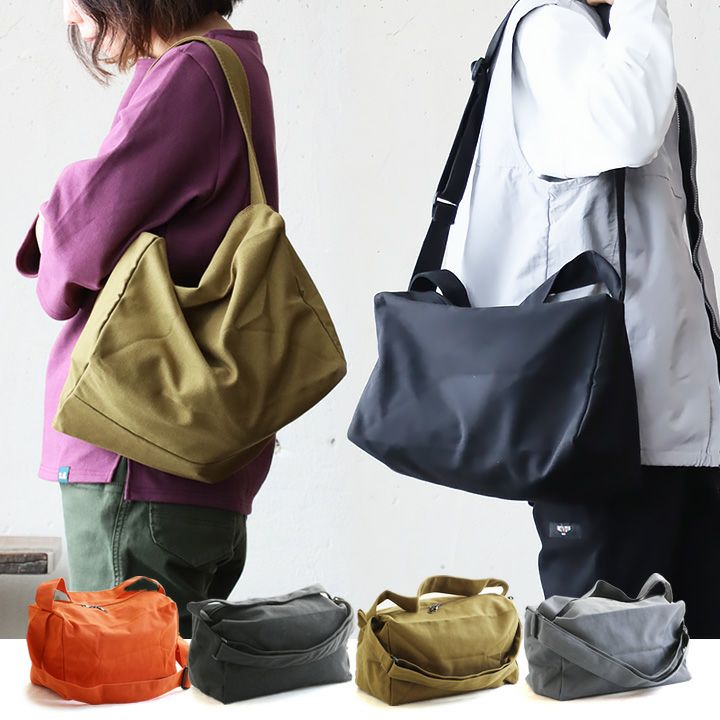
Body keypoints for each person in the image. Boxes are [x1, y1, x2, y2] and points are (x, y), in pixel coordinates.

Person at [453, 0, 720, 637]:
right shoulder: (549, 29)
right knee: (610, 660)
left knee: (700, 662)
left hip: (676, 430)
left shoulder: (606, 39)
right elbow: (627, 128)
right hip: (602, 430)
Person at [15, 0, 279, 638]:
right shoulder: (232, 64)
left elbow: (73, 248)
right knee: (171, 674)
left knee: (121, 678)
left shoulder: (192, 73)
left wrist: (55, 210)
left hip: (133, 459)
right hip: (191, 466)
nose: (71, 16)